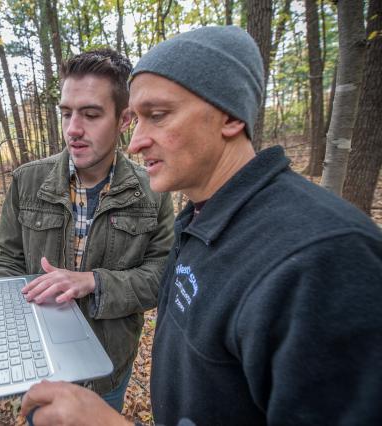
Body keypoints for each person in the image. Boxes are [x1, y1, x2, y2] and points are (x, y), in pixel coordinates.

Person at [21, 26, 382, 425]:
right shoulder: (201, 217)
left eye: (157, 116)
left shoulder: (326, 256)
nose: (136, 141)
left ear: (229, 116)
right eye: (136, 120)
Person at [0, 48, 175, 413]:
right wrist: (1, 311)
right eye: (66, 113)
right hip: (39, 367)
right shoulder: (27, 181)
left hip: (106, 369)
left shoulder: (152, 192)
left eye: (90, 114)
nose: (73, 129)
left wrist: (93, 281)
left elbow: (160, 277)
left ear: (124, 120)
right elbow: (7, 259)